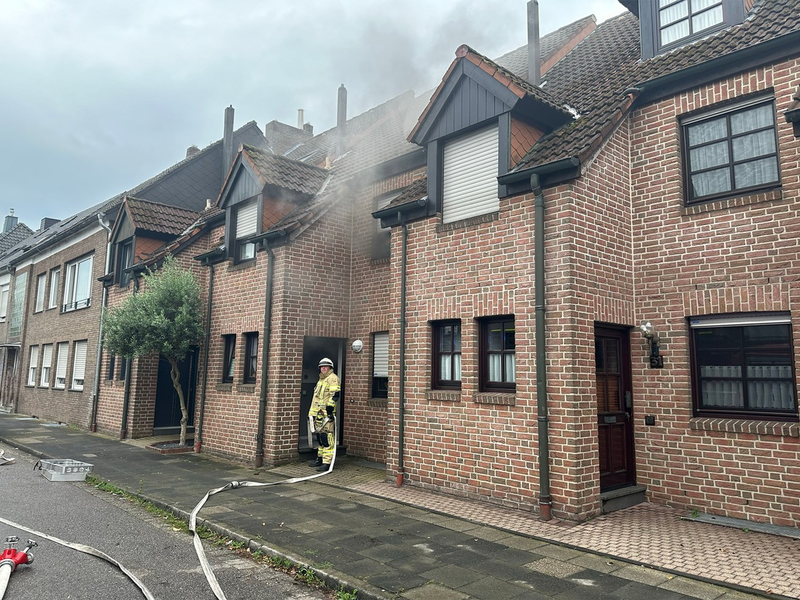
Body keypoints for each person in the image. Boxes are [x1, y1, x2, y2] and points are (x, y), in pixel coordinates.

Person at [307, 357, 340, 472]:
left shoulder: (333, 378)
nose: (323, 368)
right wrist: (312, 414)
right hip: (318, 414)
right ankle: (320, 459)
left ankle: (327, 463)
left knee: (327, 438)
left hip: (327, 415)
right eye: (321, 366)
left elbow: (334, 395)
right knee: (320, 438)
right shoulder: (321, 380)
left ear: (330, 367)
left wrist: (330, 410)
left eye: (325, 366)